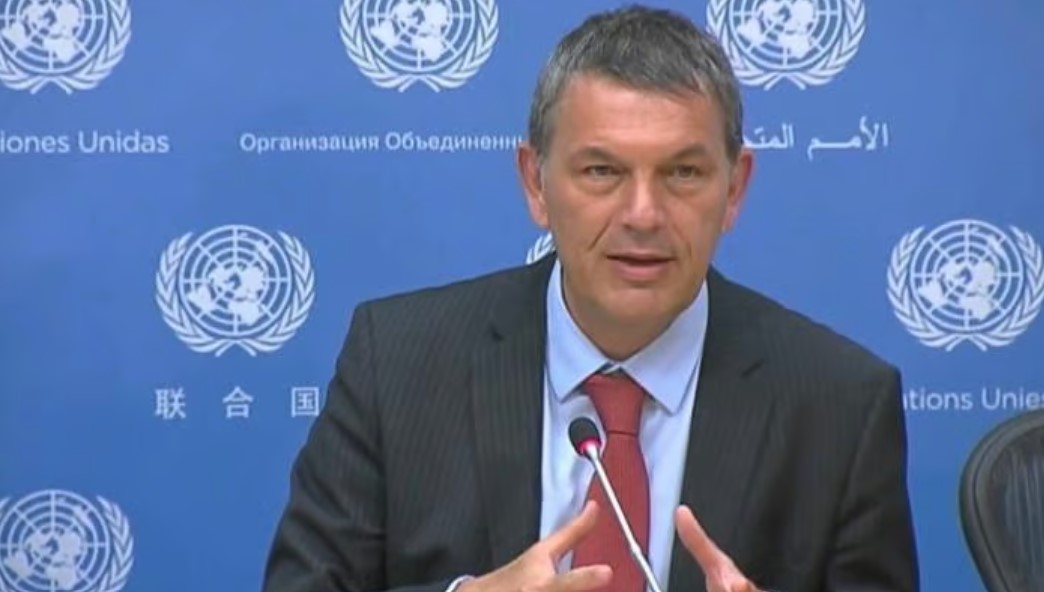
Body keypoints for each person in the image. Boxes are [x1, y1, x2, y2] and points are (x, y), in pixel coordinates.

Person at [261, 5, 919, 592]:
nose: (643, 214)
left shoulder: (840, 404)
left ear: (734, 189)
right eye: (602, 171)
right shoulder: (397, 362)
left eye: (683, 172)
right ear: (536, 183)